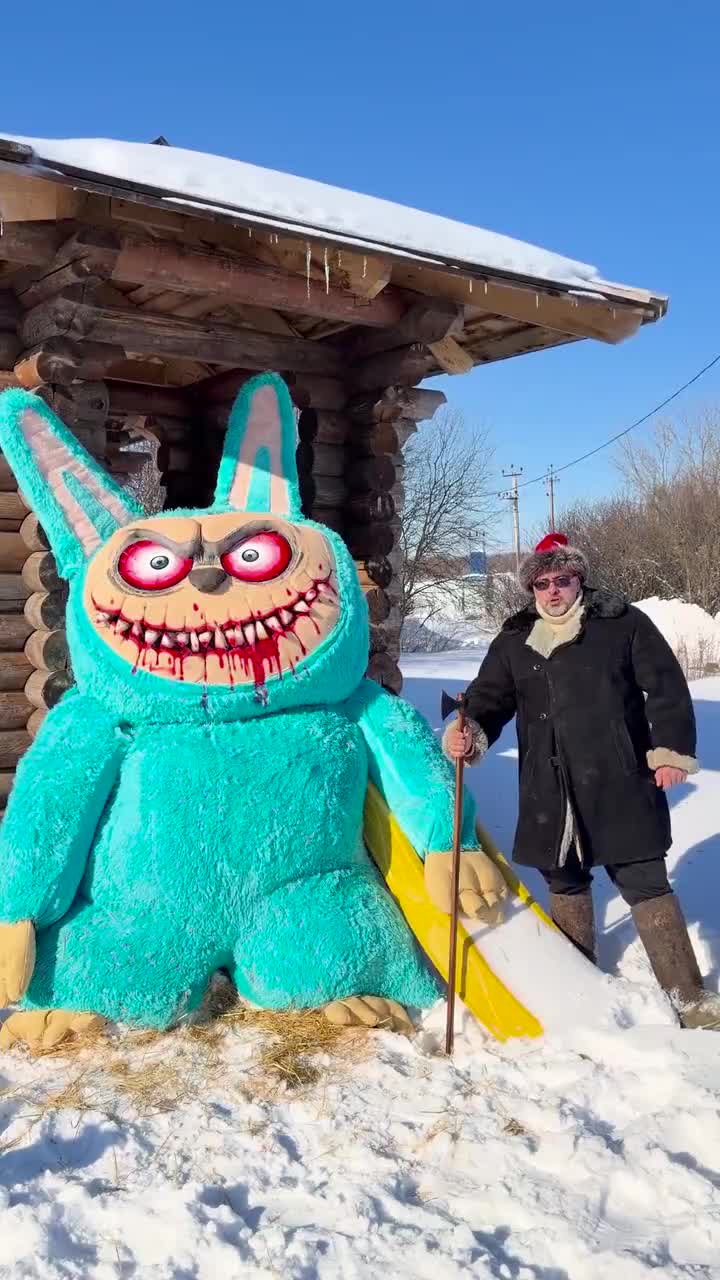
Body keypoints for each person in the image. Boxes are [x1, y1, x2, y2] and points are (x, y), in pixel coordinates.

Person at [444, 532, 720, 1030]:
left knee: (643, 878)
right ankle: (581, 992)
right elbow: (488, 698)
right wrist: (472, 733)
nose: (553, 591)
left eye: (563, 580)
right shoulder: (514, 639)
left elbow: (666, 688)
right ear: (531, 588)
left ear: (579, 580)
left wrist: (671, 751)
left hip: (619, 778)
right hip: (549, 785)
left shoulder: (621, 623)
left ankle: (688, 996)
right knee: (564, 878)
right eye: (542, 583)